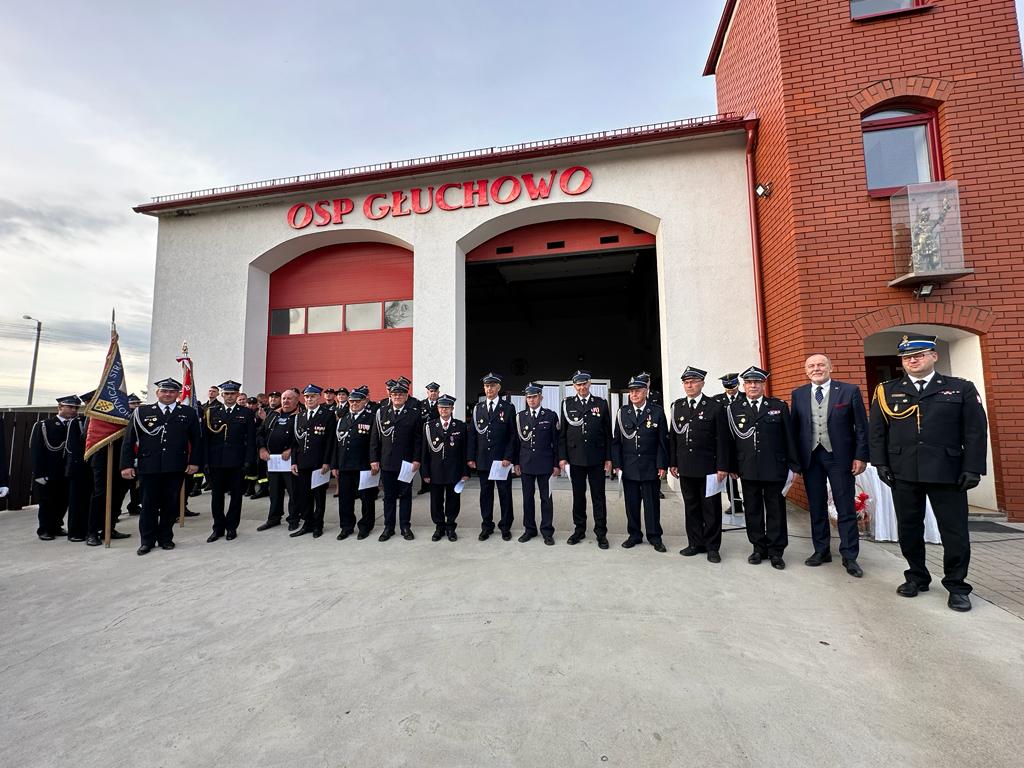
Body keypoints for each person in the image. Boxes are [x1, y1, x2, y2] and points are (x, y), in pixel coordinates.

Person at [869, 334, 989, 612]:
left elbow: (975, 431)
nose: (912, 360)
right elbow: (877, 431)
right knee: (909, 528)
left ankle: (957, 586)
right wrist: (881, 464)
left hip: (947, 471)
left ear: (934, 356)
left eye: (919, 355)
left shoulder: (960, 388)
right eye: (907, 357)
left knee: (954, 531)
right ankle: (916, 576)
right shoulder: (886, 391)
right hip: (903, 471)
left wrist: (973, 468)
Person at [791, 354, 869, 577]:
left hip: (839, 457)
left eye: (820, 365)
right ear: (806, 371)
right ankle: (821, 550)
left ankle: (849, 555)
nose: (816, 369)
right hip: (811, 459)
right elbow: (795, 429)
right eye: (811, 366)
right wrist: (794, 461)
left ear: (830, 368)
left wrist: (861, 456)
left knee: (845, 507)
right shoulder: (798, 394)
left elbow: (861, 427)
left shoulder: (849, 391)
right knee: (816, 506)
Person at [727, 366, 800, 570]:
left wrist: (794, 466)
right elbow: (730, 441)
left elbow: (789, 437)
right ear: (744, 386)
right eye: (749, 382)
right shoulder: (734, 408)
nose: (753, 386)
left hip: (774, 468)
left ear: (763, 385)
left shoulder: (778, 406)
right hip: (747, 467)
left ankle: (776, 551)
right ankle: (758, 548)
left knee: (776, 510)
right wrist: (731, 465)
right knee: (753, 510)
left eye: (757, 382)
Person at [119, 378, 202, 555]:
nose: (168, 394)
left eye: (172, 391)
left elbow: (196, 440)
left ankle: (166, 538)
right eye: (164, 391)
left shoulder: (187, 412)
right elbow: (129, 440)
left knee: (170, 505)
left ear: (178, 394)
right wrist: (126, 465)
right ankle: (147, 541)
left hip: (175, 466)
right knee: (148, 505)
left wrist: (194, 462)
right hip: (149, 466)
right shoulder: (142, 412)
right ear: (157, 393)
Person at [668, 366, 730, 563]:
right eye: (686, 382)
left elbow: (722, 439)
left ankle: (712, 547)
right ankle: (695, 543)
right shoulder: (677, 406)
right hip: (686, 467)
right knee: (691, 507)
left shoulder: (715, 407)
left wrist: (722, 466)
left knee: (711, 509)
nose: (689, 385)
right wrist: (673, 462)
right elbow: (673, 437)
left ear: (702, 383)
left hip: (709, 468)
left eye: (693, 382)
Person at [612, 376, 669, 551]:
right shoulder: (623, 412)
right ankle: (634, 535)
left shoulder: (657, 412)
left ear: (645, 392)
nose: (634, 394)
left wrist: (662, 465)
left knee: (652, 504)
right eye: (631, 391)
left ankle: (655, 536)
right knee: (632, 504)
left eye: (637, 391)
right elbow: (616, 441)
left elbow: (662, 442)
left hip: (650, 466)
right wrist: (617, 464)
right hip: (629, 466)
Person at [558, 370, 613, 548]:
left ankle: (601, 533)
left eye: (584, 384)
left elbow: (607, 434)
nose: (582, 387)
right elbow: (563, 434)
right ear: (574, 386)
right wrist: (562, 457)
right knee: (578, 497)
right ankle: (579, 530)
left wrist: (609, 458)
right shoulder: (567, 404)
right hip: (575, 459)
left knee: (598, 497)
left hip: (597, 458)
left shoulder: (601, 403)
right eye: (578, 384)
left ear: (590, 384)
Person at [203, 380, 257, 542]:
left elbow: (251, 439)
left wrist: (248, 461)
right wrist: (205, 462)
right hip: (216, 461)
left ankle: (231, 527)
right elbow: (205, 440)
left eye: (233, 394)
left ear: (237, 394)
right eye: (226, 393)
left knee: (236, 497)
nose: (229, 396)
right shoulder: (211, 412)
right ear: (222, 394)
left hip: (237, 462)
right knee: (216, 497)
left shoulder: (246, 413)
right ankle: (218, 528)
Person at [370, 379, 423, 541]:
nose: (397, 397)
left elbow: (418, 440)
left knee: (406, 495)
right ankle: (389, 527)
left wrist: (416, 459)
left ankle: (405, 526)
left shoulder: (414, 414)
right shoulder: (381, 412)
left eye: (401, 394)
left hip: (406, 463)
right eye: (394, 394)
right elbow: (375, 438)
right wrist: (374, 459)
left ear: (406, 396)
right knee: (389, 496)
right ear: (390, 396)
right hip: (387, 462)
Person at [467, 372, 517, 541]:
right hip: (483, 459)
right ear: (484, 388)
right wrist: (471, 457)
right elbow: (473, 435)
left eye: (493, 386)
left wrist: (508, 457)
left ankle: (505, 526)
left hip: (501, 461)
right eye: (487, 386)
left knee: (505, 494)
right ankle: (487, 526)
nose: (489, 389)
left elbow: (512, 435)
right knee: (485, 495)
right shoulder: (478, 408)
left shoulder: (508, 408)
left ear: (498, 387)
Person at [513, 384, 560, 545]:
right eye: (528, 397)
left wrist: (556, 464)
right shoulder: (520, 417)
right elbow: (516, 443)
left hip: (545, 464)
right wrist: (516, 463)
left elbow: (556, 442)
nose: (531, 400)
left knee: (546, 499)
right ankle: (529, 529)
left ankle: (547, 531)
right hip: (526, 463)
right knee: (527, 499)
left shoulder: (550, 416)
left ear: (541, 397)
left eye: (534, 397)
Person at [30, 395, 81, 540]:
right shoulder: (44, 425)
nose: (74, 410)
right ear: (60, 407)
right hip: (50, 471)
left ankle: (57, 525)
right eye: (70, 407)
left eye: (76, 407)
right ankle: (45, 529)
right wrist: (39, 473)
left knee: (63, 501)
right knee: (47, 502)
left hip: (68, 471)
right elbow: (36, 451)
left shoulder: (76, 425)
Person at [332, 386, 379, 540]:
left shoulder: (371, 418)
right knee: (345, 499)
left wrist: (374, 461)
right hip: (345, 465)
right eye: (351, 401)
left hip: (364, 465)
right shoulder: (343, 419)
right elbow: (336, 444)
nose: (354, 404)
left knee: (367, 499)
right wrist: (335, 465)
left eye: (357, 401)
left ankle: (365, 526)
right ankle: (346, 526)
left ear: (364, 401)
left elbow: (375, 443)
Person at [289, 384, 336, 538]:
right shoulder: (299, 416)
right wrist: (294, 462)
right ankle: (307, 524)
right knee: (304, 495)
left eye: (313, 396)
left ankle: (318, 525)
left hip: (319, 463)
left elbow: (330, 441)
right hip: (302, 462)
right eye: (307, 397)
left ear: (319, 397)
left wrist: (327, 462)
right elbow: (295, 442)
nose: (309, 399)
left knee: (319, 496)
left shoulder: (327, 415)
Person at [421, 393, 469, 541]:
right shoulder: (429, 426)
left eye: (447, 408)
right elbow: (424, 452)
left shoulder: (460, 426)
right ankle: (439, 527)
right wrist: (425, 472)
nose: (444, 410)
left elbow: (465, 451)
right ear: (437, 408)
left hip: (454, 470)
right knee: (436, 501)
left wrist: (465, 472)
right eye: (441, 407)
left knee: (453, 501)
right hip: (435, 471)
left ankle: (450, 527)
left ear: (452, 409)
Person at [256, 388, 301, 531]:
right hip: (273, 461)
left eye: (289, 398)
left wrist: (291, 450)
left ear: (296, 401)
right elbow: (261, 433)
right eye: (284, 398)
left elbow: (304, 438)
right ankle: (274, 518)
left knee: (294, 492)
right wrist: (262, 448)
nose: (286, 401)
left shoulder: (300, 416)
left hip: (290, 461)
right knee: (274, 492)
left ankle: (294, 518)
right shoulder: (273, 414)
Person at [64, 391, 94, 541]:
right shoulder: (78, 422)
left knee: (93, 501)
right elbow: (72, 447)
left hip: (97, 467)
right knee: (78, 501)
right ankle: (76, 532)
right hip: (80, 468)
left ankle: (93, 529)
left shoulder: (105, 423)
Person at [713, 373, 744, 515]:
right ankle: (735, 503)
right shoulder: (717, 400)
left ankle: (750, 502)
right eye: (727, 388)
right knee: (729, 476)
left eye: (733, 387)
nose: (731, 390)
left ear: (738, 384)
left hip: (743, 441)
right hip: (726, 443)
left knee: (746, 474)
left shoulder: (745, 397)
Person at [418, 382, 441, 495]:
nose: (433, 393)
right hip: (423, 437)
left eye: (435, 391)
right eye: (431, 391)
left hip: (436, 437)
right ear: (427, 392)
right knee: (423, 459)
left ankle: (435, 484)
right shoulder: (421, 404)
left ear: (438, 392)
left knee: (435, 460)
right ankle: (424, 486)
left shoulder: (442, 404)